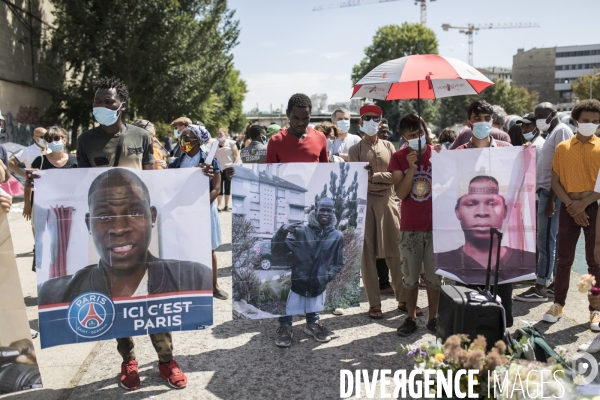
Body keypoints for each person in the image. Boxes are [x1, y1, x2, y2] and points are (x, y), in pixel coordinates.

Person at [71, 76, 186, 390]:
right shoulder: (86, 140)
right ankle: (129, 359)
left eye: (108, 102)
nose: (102, 108)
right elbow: (83, 184)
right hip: (110, 228)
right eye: (97, 103)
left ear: (121, 104)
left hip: (139, 226)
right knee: (118, 296)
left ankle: (166, 360)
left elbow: (153, 180)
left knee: (153, 296)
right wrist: (40, 181)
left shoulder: (140, 135)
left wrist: (195, 178)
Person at [265, 93, 332, 347]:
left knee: (313, 268)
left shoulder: (320, 138)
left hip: (312, 218)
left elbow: (327, 174)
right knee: (287, 270)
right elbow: (270, 177)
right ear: (287, 115)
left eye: (306, 118)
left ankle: (313, 321)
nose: (302, 123)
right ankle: (284, 325)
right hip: (287, 214)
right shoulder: (275, 141)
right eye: (296, 118)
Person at [541, 99, 600, 329]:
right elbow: (555, 181)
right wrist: (571, 205)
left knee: (594, 262)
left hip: (594, 209)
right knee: (563, 260)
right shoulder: (563, 148)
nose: (591, 124)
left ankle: (595, 310)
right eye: (586, 120)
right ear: (576, 120)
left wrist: (583, 204)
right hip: (568, 209)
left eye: (595, 121)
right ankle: (558, 304)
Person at [348, 104, 407, 319]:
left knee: (395, 254)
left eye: (376, 118)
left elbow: (396, 176)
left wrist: (376, 177)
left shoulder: (390, 147)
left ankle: (403, 299)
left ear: (380, 121)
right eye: (367, 118)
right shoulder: (355, 151)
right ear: (361, 122)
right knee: (367, 257)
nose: (372, 122)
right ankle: (374, 304)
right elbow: (358, 182)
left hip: (388, 205)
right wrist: (381, 179)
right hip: (364, 207)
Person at [514, 103, 573, 304]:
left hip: (551, 193)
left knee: (546, 241)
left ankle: (540, 287)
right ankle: (549, 283)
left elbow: (564, 168)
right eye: (537, 115)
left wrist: (552, 201)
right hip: (547, 192)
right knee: (547, 240)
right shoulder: (553, 133)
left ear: (553, 114)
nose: (539, 118)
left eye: (542, 115)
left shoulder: (562, 131)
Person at [389, 114, 441, 336]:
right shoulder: (399, 157)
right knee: (410, 276)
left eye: (420, 133)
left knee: (434, 276)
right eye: (412, 136)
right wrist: (411, 168)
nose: (417, 138)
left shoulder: (438, 154)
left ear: (425, 131)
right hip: (410, 227)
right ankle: (410, 317)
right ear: (404, 138)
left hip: (436, 226)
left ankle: (434, 318)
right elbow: (400, 193)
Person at [435, 176, 537, 282]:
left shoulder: (525, 260)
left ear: (505, 211)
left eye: (492, 204)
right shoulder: (443, 261)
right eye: (471, 204)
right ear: (457, 211)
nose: (482, 212)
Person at [168, 124, 229, 301]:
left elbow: (216, 189)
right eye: (181, 137)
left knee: (208, 249)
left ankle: (214, 285)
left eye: (186, 137)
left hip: (204, 212)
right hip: (183, 212)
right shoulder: (177, 161)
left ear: (197, 141)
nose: (182, 140)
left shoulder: (210, 161)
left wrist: (200, 206)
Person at [272, 197, 343, 316]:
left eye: (328, 210)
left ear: (333, 212)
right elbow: (276, 251)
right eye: (322, 210)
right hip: (297, 288)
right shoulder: (300, 232)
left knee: (313, 319)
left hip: (318, 289)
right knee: (289, 317)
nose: (325, 213)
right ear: (316, 210)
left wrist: (325, 277)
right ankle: (287, 329)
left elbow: (338, 263)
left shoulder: (337, 236)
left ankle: (312, 328)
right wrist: (281, 232)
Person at [214, 128, 239, 212]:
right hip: (218, 168)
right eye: (218, 134)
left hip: (228, 168)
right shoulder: (215, 144)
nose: (219, 135)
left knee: (227, 188)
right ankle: (219, 205)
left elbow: (236, 155)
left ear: (225, 134)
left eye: (221, 134)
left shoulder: (231, 143)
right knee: (219, 188)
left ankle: (226, 205)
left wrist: (234, 165)